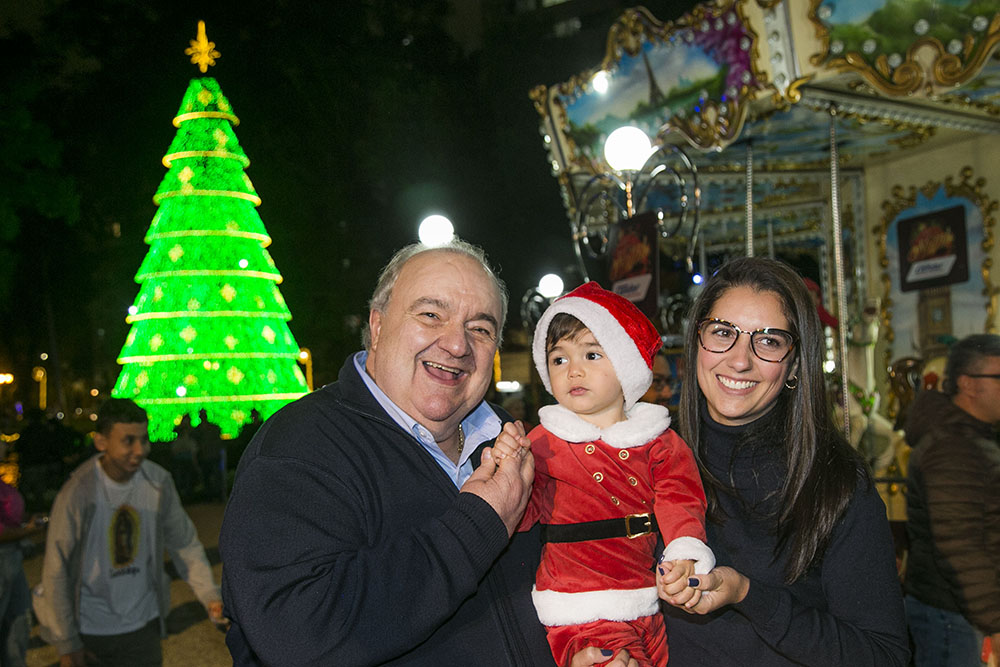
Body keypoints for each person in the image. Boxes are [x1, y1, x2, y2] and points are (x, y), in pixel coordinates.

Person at [218, 240, 640, 667]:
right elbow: (297, 634)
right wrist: (480, 522)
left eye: (480, 328)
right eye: (431, 315)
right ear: (378, 326)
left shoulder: (520, 446)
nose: (457, 344)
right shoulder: (300, 445)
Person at [657, 256, 910, 666]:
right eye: (723, 333)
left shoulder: (833, 479)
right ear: (696, 344)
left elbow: (883, 655)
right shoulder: (643, 455)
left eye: (769, 341)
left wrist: (748, 595)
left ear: (793, 364)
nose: (740, 360)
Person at [492, 282, 713, 666]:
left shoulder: (660, 442)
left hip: (646, 601)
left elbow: (681, 500)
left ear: (626, 365)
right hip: (575, 608)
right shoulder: (542, 442)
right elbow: (523, 516)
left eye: (591, 354)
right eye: (558, 360)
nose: (573, 370)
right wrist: (506, 473)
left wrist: (685, 552)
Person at [33, 398, 225, 667]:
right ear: (101, 442)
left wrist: (210, 597)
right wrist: (67, 642)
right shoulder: (79, 491)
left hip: (142, 627)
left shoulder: (157, 482)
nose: (140, 450)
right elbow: (57, 568)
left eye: (144, 439)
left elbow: (185, 545)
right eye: (128, 441)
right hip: (90, 629)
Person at [903, 333, 1000, 667]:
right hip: (954, 615)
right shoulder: (953, 448)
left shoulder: (970, 437)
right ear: (968, 384)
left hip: (961, 611)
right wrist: (994, 619)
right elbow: (960, 546)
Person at [0, 440, 46, 667]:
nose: (3, 445)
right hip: (3, 556)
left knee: (17, 623)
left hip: (11, 559)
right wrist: (25, 531)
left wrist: (26, 521)